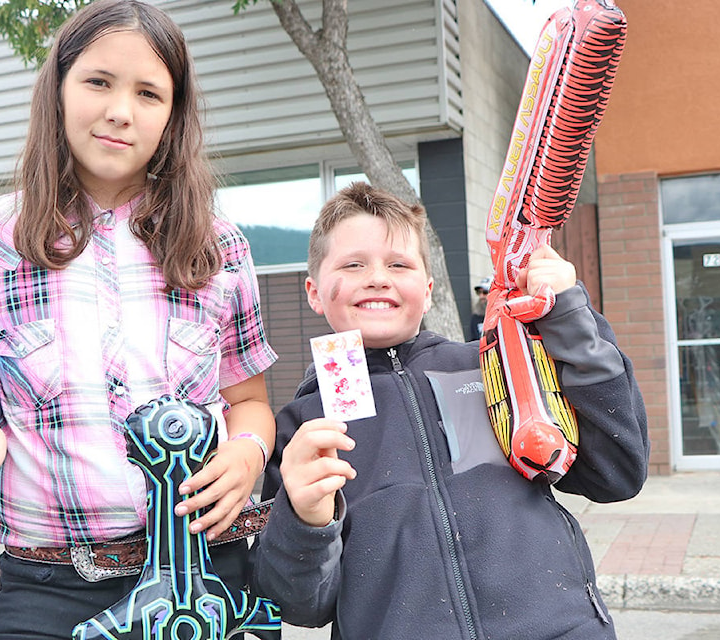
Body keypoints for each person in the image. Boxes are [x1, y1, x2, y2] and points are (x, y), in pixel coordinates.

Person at [0, 2, 278, 638]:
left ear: (173, 115)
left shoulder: (218, 246)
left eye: (148, 93)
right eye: (98, 81)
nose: (120, 111)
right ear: (58, 89)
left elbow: (248, 401)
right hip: (47, 587)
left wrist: (248, 452)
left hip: (206, 574)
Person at [251, 182, 649, 640]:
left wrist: (569, 315)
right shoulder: (305, 426)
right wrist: (304, 519)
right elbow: (301, 604)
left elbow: (616, 472)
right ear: (315, 292)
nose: (378, 277)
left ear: (428, 286)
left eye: (399, 264)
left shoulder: (492, 365)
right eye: (353, 264)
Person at [470, 275, 491, 341]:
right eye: (479, 293)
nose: (481, 296)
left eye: (485, 292)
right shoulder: (475, 318)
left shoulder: (502, 316)